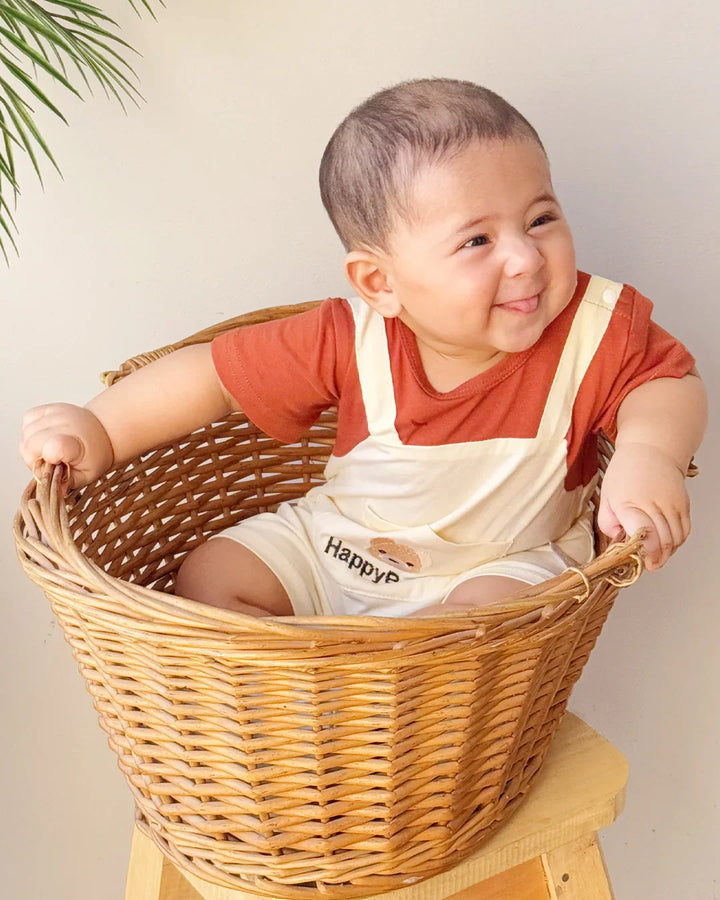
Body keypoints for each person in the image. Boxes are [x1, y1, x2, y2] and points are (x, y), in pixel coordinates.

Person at [20, 79, 707, 619]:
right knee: (211, 574)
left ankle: (402, 705)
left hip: (500, 565)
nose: (527, 258)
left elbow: (667, 382)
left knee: (493, 619)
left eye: (541, 218)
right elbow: (213, 379)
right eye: (478, 241)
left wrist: (649, 457)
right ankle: (308, 688)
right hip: (342, 546)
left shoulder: (592, 328)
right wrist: (101, 428)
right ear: (380, 282)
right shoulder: (349, 337)